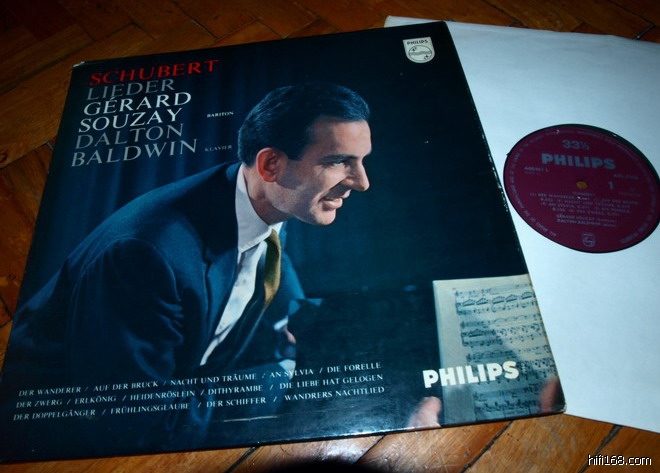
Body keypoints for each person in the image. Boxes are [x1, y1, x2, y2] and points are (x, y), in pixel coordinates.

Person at [1, 82, 372, 455]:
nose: (362, 183)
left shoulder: (270, 201)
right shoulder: (145, 255)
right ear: (270, 165)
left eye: (361, 160)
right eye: (337, 161)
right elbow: (133, 422)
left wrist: (298, 332)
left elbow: (265, 266)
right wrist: (280, 378)